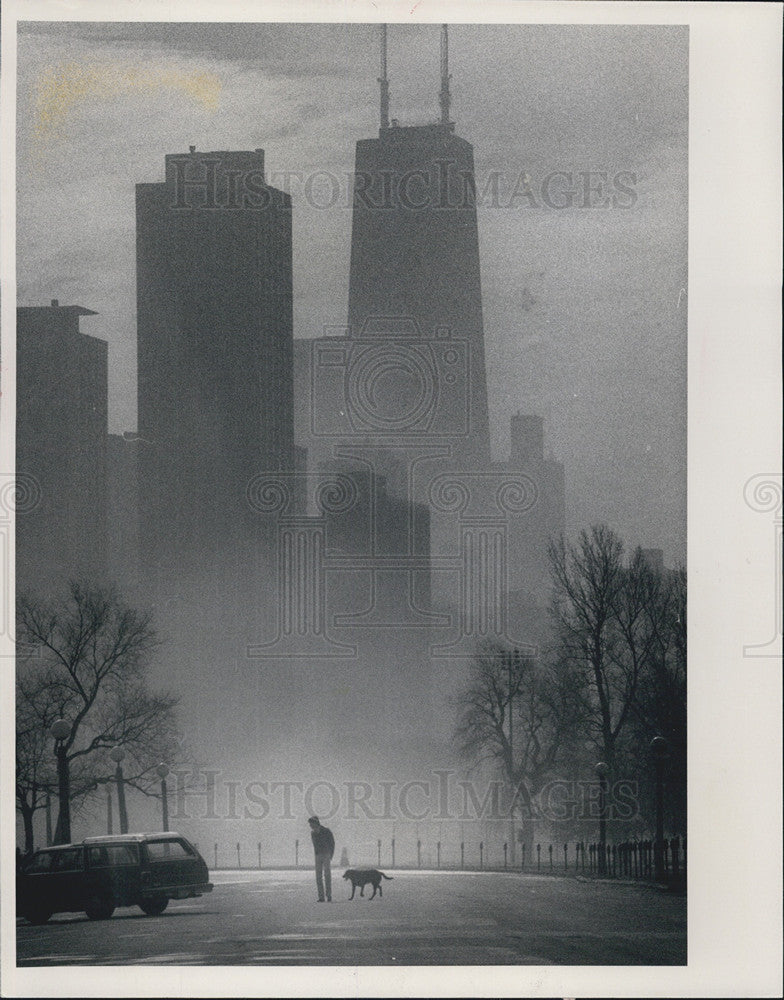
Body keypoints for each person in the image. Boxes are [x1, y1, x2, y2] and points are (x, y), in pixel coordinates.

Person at [308, 815, 335, 902]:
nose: (310, 826)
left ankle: (329, 895)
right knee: (318, 876)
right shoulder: (312, 833)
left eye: (311, 824)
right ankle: (321, 897)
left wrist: (331, 854)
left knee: (327, 875)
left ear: (315, 823)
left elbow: (332, 843)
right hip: (318, 855)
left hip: (326, 854)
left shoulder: (326, 831)